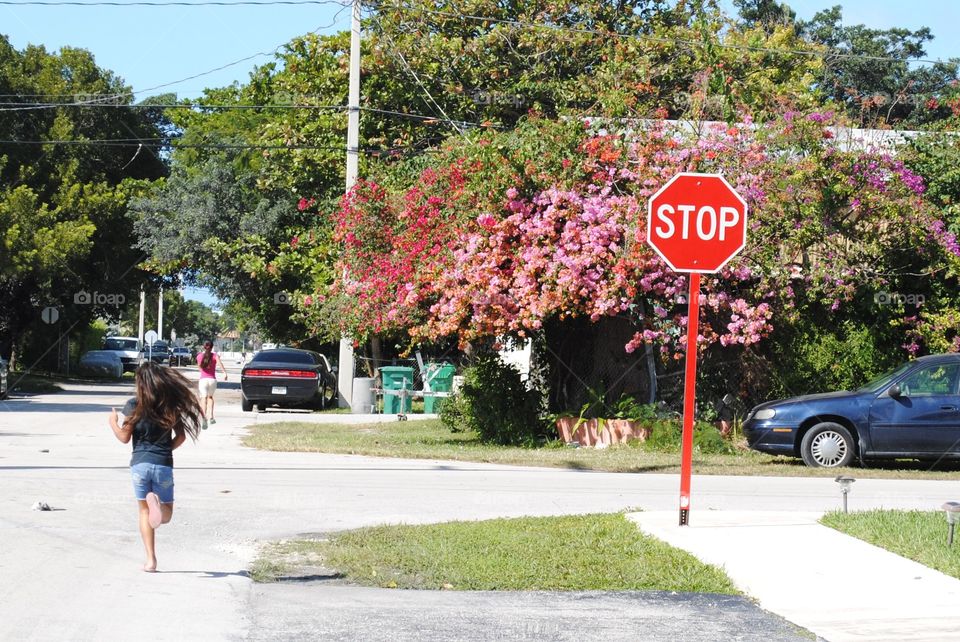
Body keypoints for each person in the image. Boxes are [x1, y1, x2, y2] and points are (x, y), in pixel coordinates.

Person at [108, 362, 203, 572]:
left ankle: (151, 560)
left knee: (143, 512)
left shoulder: (133, 405)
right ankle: (159, 506)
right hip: (163, 465)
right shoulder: (169, 405)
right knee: (166, 515)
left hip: (139, 466)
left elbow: (124, 437)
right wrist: (165, 449)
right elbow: (181, 437)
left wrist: (112, 422)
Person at [197, 340, 228, 429]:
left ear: (204, 347)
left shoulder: (199, 356)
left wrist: (202, 372)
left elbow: (199, 366)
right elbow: (220, 363)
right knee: (210, 397)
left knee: (203, 398)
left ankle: (203, 417)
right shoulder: (215, 356)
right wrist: (224, 373)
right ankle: (211, 416)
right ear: (212, 347)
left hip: (203, 380)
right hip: (212, 380)